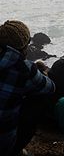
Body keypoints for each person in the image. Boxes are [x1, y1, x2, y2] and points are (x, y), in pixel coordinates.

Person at [0, 20, 55, 156]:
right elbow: (50, 88)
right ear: (23, 45)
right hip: (3, 141)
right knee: (39, 97)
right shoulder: (23, 68)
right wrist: (41, 72)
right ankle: (16, 149)